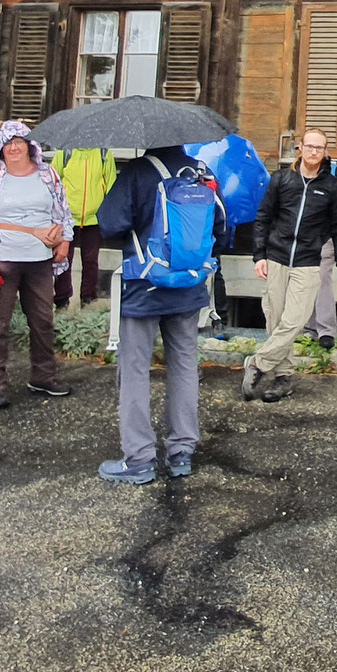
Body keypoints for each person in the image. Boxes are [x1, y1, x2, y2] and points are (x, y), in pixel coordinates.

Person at [94, 149, 213, 483]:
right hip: (189, 286)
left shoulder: (137, 172)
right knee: (185, 367)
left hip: (144, 285)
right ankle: (182, 452)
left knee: (134, 371)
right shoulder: (201, 172)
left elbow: (108, 222)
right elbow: (219, 224)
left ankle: (140, 459)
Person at [0, 119, 75, 410]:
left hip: (39, 261)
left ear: (29, 146)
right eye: (8, 143)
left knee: (43, 322)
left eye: (19, 142)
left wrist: (65, 241)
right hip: (0, 262)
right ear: (0, 148)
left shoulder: (48, 176)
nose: (13, 148)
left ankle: (43, 377)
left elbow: (63, 211)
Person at [246, 128, 337, 403]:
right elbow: (263, 218)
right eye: (310, 147)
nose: (314, 152)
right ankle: (283, 376)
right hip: (277, 257)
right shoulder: (282, 180)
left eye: (320, 148)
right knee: (275, 318)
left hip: (309, 261)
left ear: (325, 151)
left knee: (293, 321)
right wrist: (259, 256)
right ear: (300, 148)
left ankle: (258, 364)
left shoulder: (330, 187)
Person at [49, 147, 117, 308]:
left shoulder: (104, 154)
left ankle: (88, 299)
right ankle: (61, 300)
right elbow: (52, 181)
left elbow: (112, 185)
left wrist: (107, 212)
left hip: (94, 217)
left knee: (91, 260)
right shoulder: (64, 153)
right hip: (67, 217)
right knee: (63, 258)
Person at [304, 156, 337, 349]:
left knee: (322, 279)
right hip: (301, 239)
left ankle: (325, 331)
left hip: (326, 236)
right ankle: (308, 329)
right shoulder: (295, 174)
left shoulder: (335, 174)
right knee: (304, 280)